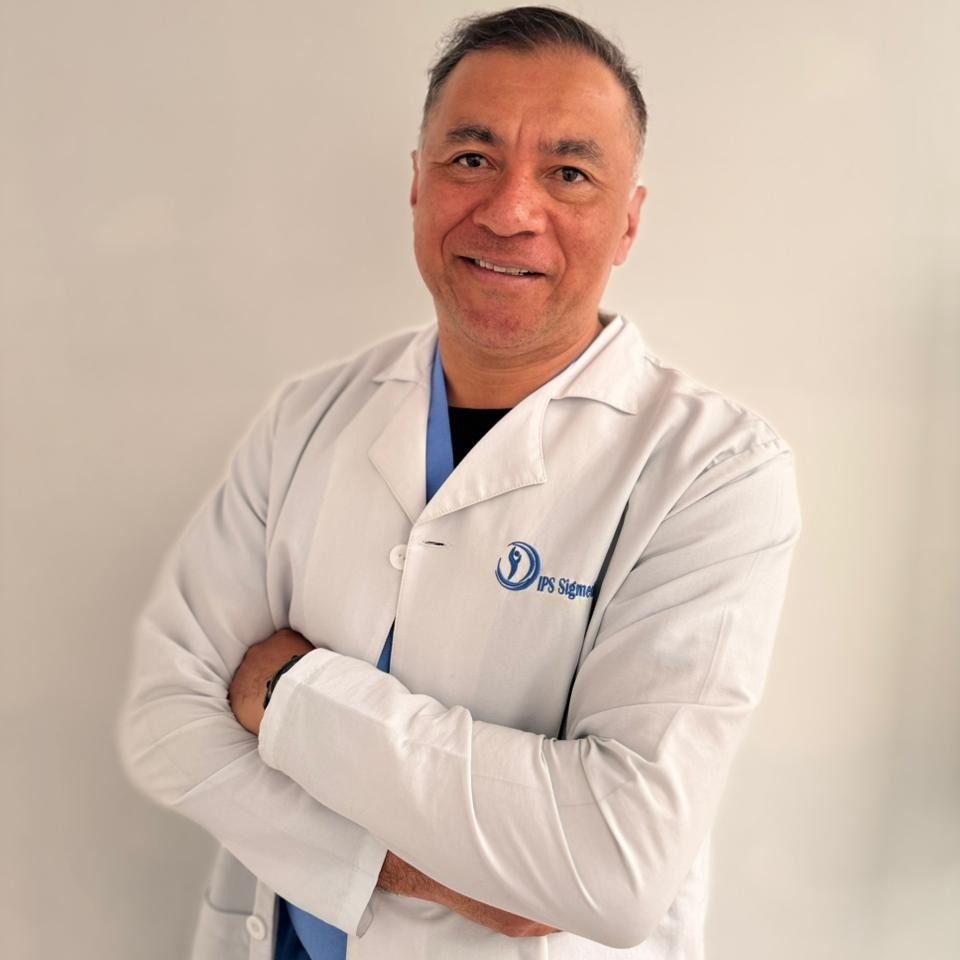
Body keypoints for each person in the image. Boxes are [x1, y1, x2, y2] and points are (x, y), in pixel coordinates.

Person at [116, 7, 802, 960]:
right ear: (417, 183)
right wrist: (437, 873)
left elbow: (613, 864)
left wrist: (287, 690)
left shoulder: (715, 472)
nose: (510, 210)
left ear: (629, 220)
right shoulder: (310, 415)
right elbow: (165, 718)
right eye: (471, 159)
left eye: (568, 173)